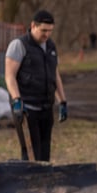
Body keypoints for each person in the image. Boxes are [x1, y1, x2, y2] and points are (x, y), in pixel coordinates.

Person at [5, 9, 68, 161]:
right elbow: (10, 76)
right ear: (33, 26)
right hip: (26, 109)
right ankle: (29, 184)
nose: (46, 35)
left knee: (45, 154)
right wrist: (17, 101)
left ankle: (44, 183)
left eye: (50, 31)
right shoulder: (19, 45)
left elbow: (55, 75)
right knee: (32, 154)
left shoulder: (51, 46)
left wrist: (62, 101)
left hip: (46, 108)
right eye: (43, 30)